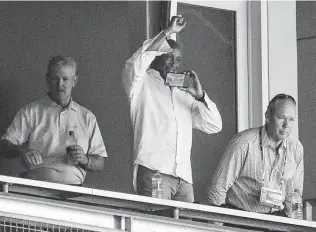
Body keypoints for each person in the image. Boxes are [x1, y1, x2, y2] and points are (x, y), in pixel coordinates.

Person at [122, 15, 222, 203]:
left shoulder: (183, 94)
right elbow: (136, 63)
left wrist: (200, 96)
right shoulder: (142, 84)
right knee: (155, 230)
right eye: (169, 57)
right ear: (157, 56)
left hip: (184, 179)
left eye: (177, 60)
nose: (174, 64)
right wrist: (167, 32)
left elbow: (214, 125)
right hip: (154, 172)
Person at [0, 55, 107, 185]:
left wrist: (85, 159)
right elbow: (4, 146)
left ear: (74, 81)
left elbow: (100, 163)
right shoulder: (31, 111)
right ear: (47, 80)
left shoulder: (87, 117)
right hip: (36, 188)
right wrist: (23, 150)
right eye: (55, 79)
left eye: (65, 79)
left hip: (74, 192)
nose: (60, 84)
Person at [208, 94, 304, 217]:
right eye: (281, 118)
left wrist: (294, 226)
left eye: (291, 119)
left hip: (277, 219)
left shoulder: (296, 148)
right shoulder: (244, 142)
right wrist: (219, 227)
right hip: (242, 217)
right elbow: (218, 188)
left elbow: (295, 194)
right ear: (267, 116)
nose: (286, 125)